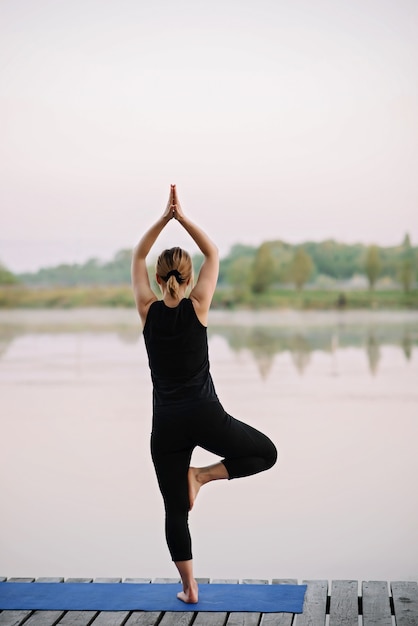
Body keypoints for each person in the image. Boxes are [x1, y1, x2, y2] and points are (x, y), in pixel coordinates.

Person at [131, 185, 277, 604]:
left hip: (167, 426)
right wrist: (182, 217)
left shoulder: (147, 310)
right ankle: (204, 476)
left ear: (158, 280)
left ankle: (190, 589)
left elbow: (137, 257)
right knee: (266, 453)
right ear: (190, 278)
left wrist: (162, 220)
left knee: (175, 510)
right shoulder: (198, 305)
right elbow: (213, 253)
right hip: (206, 415)